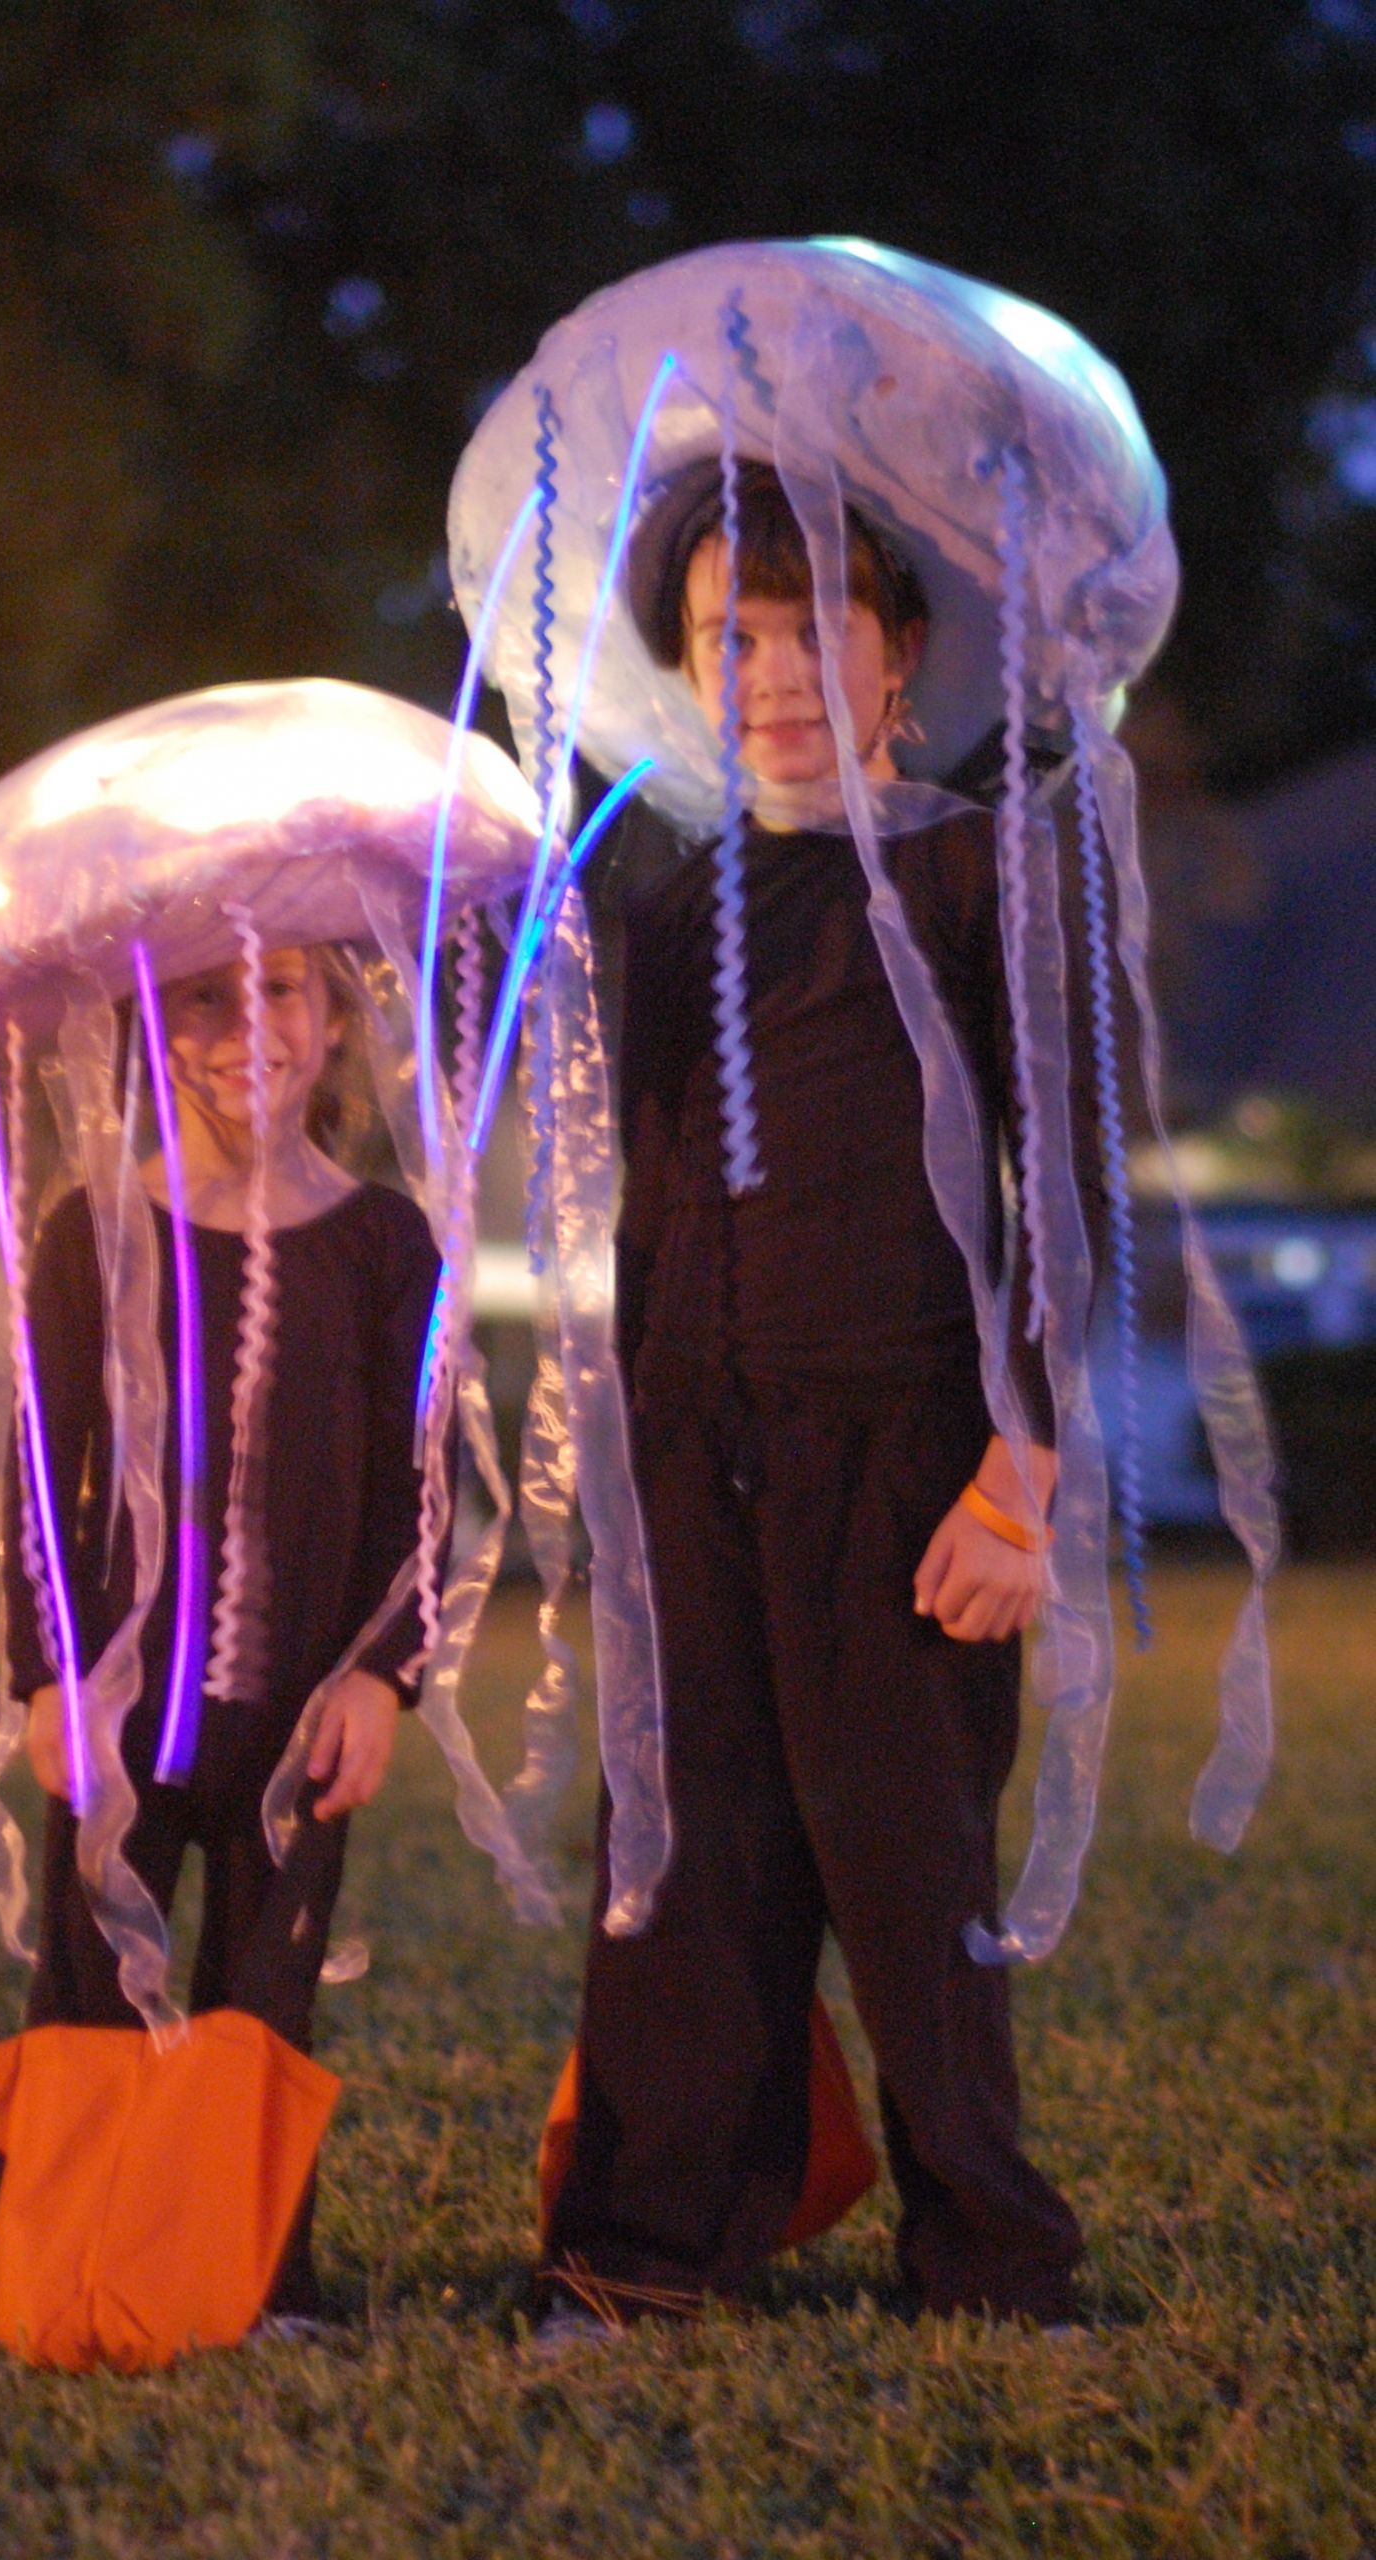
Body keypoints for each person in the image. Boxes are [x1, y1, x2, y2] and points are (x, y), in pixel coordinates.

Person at [539, 459, 1097, 2333]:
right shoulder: (654, 882)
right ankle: (645, 2253)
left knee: (904, 1859)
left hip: (901, 1447)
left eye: (813, 628)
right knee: (683, 1859)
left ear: (899, 650)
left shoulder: (971, 864)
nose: (772, 670)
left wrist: (1020, 1480)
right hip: (686, 1439)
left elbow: (1068, 1182)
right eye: (729, 635)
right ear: (690, 667)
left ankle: (987, 2255)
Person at [5, 938, 440, 2328]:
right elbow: (41, 1472)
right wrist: (48, 1676)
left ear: (330, 1023)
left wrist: (385, 1675)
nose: (242, 1027)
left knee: (267, 1990)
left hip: (297, 1717)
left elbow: (417, 1489)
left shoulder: (384, 1244)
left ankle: (244, 2278)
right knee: (86, 1982)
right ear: (150, 1022)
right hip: (126, 1705)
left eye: (281, 991)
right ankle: (55, 2265)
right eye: (202, 995)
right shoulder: (93, 1233)